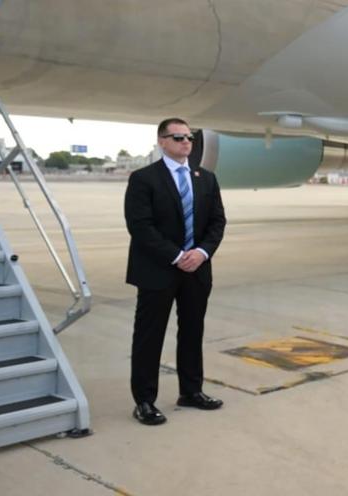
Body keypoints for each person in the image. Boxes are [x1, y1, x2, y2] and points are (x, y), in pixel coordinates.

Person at [124, 117, 226, 425]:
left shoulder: (206, 178)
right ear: (162, 142)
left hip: (197, 270)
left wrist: (201, 253)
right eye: (178, 137)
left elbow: (217, 222)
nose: (186, 143)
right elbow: (140, 226)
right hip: (158, 270)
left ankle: (191, 391)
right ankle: (144, 400)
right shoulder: (143, 178)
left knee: (193, 332)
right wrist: (177, 255)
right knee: (149, 336)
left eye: (189, 138)